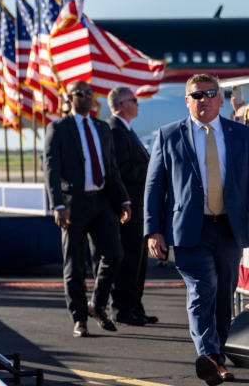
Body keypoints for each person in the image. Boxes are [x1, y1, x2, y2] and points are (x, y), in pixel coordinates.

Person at [145, 74, 249, 385]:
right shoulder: (169, 135)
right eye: (197, 95)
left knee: (224, 293)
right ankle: (209, 356)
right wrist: (153, 230)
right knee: (202, 289)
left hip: (229, 228)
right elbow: (154, 186)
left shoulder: (241, 135)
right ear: (187, 100)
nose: (204, 99)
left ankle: (215, 355)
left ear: (220, 98)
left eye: (210, 93)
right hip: (190, 230)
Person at [44, 79, 131, 338]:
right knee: (74, 265)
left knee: (114, 254)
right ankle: (79, 318)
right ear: (70, 98)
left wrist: (124, 200)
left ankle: (97, 305)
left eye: (90, 93)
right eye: (80, 94)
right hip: (74, 204)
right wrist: (57, 204)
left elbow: (111, 168)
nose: (87, 97)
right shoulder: (59, 128)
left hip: (103, 201)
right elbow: (51, 168)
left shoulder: (102, 127)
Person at [105, 87, 157, 326]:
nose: (137, 104)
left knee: (138, 259)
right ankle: (122, 309)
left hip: (138, 205)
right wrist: (151, 170)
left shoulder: (126, 130)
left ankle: (135, 306)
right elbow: (120, 170)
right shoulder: (115, 130)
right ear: (121, 104)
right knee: (128, 260)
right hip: (127, 207)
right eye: (133, 100)